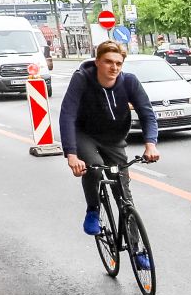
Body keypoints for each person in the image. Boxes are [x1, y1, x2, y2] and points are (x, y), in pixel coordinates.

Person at [60, 40, 161, 263]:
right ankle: (93, 209)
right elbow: (67, 115)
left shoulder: (129, 82)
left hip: (114, 139)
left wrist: (150, 144)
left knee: (124, 196)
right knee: (94, 169)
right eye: (108, 62)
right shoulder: (83, 79)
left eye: (118, 63)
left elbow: (147, 114)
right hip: (85, 134)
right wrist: (72, 154)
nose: (113, 67)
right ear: (97, 62)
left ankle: (137, 250)